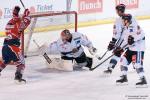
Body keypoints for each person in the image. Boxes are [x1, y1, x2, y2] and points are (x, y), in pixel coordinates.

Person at [104, 4, 137, 74]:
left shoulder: (118, 20)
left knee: (117, 53)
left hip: (124, 40)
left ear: (119, 11)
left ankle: (110, 68)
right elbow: (137, 29)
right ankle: (136, 65)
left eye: (117, 10)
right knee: (133, 51)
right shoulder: (132, 17)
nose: (116, 12)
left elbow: (117, 33)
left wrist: (113, 42)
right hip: (133, 38)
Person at [0, 6, 31, 83]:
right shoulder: (18, 24)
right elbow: (26, 22)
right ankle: (18, 77)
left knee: (5, 60)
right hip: (13, 47)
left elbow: (16, 18)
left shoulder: (9, 22)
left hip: (5, 47)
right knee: (21, 63)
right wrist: (27, 14)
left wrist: (22, 15)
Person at [115, 14, 147, 85]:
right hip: (130, 49)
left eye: (123, 20)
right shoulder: (126, 28)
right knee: (123, 61)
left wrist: (134, 39)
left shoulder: (135, 26)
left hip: (138, 49)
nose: (122, 22)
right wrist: (120, 48)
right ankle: (124, 77)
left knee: (137, 64)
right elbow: (126, 40)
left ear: (126, 20)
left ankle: (143, 79)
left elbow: (142, 35)